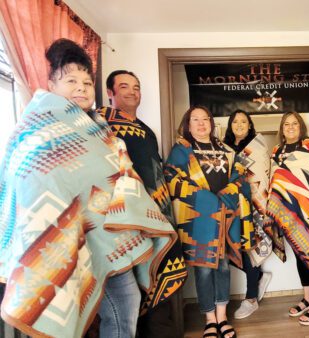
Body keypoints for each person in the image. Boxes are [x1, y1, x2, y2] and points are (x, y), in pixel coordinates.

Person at [0, 39, 177, 338]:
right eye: (71, 81)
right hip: (57, 238)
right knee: (65, 311)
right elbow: (32, 181)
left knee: (127, 300)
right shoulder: (36, 129)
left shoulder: (96, 127)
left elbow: (117, 172)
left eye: (86, 81)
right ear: (52, 83)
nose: (82, 88)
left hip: (105, 236)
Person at [98, 70, 188, 338]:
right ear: (110, 93)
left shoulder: (144, 128)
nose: (132, 91)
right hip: (128, 219)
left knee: (160, 282)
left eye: (136, 87)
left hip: (158, 216)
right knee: (132, 288)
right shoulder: (101, 122)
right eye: (124, 86)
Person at [165, 106, 252, 338]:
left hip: (224, 216)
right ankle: (209, 318)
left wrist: (228, 192)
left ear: (212, 123)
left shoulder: (224, 149)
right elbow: (171, 178)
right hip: (198, 219)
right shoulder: (181, 150)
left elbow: (238, 175)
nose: (201, 124)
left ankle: (222, 316)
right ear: (188, 124)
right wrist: (203, 198)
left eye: (205, 119)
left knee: (222, 266)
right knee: (203, 269)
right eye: (196, 120)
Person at [265, 111, 309, 326]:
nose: (290, 127)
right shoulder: (277, 151)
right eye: (286, 124)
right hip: (289, 214)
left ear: (301, 127)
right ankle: (307, 298)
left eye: (294, 123)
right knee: (300, 256)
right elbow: (276, 182)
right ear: (282, 128)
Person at [222, 110, 272, 320]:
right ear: (230, 125)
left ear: (250, 125)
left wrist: (263, 207)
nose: (240, 124)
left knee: (249, 248)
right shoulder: (222, 148)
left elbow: (265, 175)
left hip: (254, 206)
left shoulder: (259, 147)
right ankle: (259, 276)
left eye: (244, 121)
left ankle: (251, 298)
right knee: (226, 248)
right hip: (231, 206)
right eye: (236, 121)